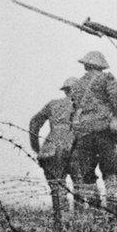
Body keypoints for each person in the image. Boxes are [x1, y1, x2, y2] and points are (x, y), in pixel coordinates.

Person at [69, 51, 117, 214]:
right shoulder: (107, 78)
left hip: (83, 134)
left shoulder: (77, 85)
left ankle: (95, 208)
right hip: (103, 131)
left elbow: (73, 110)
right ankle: (112, 206)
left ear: (86, 65)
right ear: (101, 65)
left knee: (88, 173)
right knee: (109, 170)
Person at [29, 78, 79, 213]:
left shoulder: (52, 104)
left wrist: (37, 148)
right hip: (74, 147)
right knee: (80, 188)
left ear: (65, 91)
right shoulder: (81, 105)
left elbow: (34, 123)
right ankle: (80, 222)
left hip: (50, 148)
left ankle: (62, 220)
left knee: (57, 189)